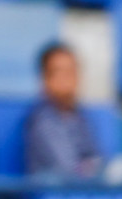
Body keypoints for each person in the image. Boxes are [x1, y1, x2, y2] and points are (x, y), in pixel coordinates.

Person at [23, 44, 102, 179]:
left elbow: (97, 161)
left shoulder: (80, 117)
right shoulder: (42, 121)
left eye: (73, 71)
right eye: (61, 72)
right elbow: (67, 169)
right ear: (45, 79)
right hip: (53, 197)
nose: (69, 79)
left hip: (82, 194)